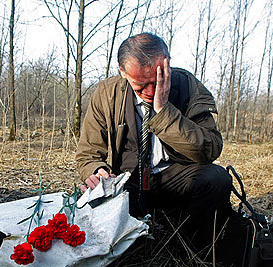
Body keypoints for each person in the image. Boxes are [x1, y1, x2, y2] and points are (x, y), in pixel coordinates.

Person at [76, 32, 232, 252]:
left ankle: (194, 249)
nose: (151, 92)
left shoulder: (188, 86)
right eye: (141, 85)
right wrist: (97, 170)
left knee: (216, 179)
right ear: (123, 72)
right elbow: (88, 155)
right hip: (126, 180)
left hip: (176, 177)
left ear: (167, 64)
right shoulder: (105, 94)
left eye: (157, 80)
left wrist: (163, 112)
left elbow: (210, 149)